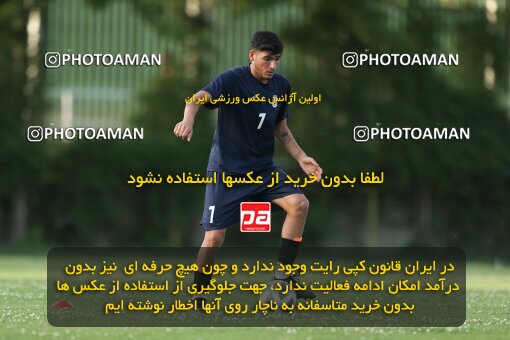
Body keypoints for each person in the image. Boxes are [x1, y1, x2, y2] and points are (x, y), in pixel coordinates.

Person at [173, 31, 322, 305]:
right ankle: (199, 292)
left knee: (299, 204)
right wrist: (188, 120)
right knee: (215, 236)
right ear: (252, 55)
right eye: (267, 59)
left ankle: (281, 279)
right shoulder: (232, 80)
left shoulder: (281, 86)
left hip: (263, 171)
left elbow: (282, 129)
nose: (273, 66)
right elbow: (196, 99)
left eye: (277, 59)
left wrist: (301, 157)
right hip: (226, 172)